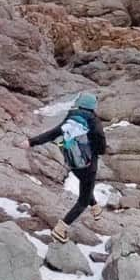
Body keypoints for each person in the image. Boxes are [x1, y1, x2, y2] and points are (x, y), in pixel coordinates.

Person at [28, 91, 106, 243]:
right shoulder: (95, 122)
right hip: (88, 166)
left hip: (72, 163)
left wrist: (31, 142)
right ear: (92, 107)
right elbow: (101, 148)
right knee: (83, 201)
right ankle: (61, 228)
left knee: (85, 186)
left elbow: (54, 133)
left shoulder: (72, 116)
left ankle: (96, 208)